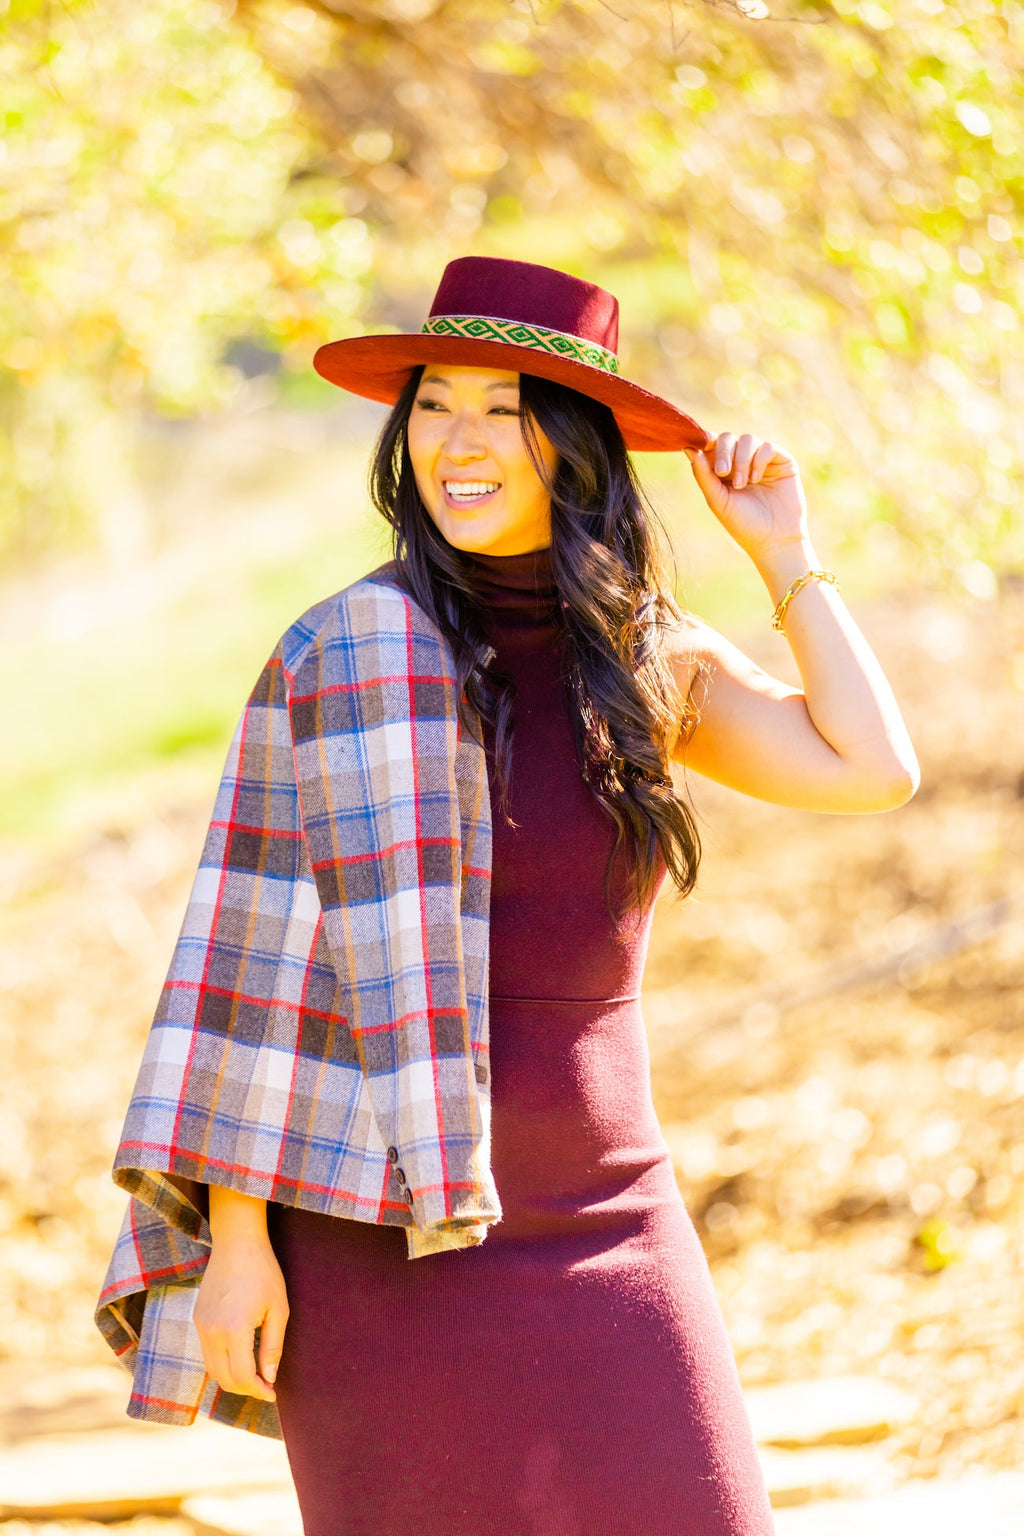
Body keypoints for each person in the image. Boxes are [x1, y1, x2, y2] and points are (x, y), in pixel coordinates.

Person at [95, 256, 919, 1536]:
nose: (457, 442)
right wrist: (239, 1244)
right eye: (432, 405)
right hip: (376, 1234)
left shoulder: (643, 657)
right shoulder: (343, 651)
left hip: (608, 1212)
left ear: (575, 442)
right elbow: (255, 962)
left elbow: (868, 770)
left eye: (502, 407)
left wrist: (784, 554)